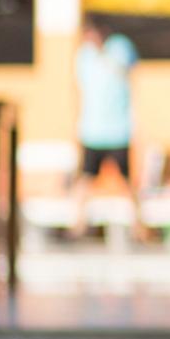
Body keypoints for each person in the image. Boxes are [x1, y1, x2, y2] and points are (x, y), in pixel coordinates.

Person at [72, 19, 139, 232]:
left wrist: (104, 56)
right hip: (93, 130)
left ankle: (139, 225)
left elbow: (127, 71)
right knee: (85, 179)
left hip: (118, 130)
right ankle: (77, 225)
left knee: (127, 180)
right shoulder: (84, 56)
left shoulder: (119, 47)